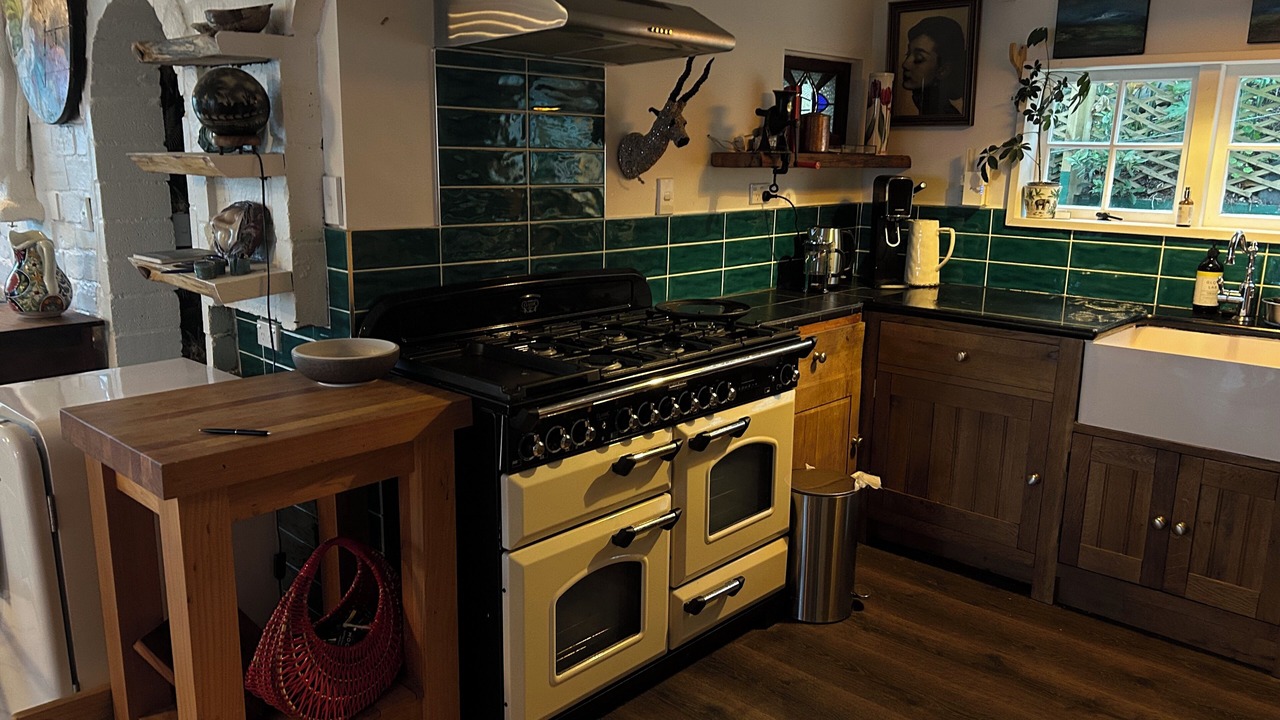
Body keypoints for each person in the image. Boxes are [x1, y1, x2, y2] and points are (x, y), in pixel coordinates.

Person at [900, 15, 966, 116]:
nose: (905, 64)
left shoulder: (946, 116)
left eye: (919, 58)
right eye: (908, 54)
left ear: (943, 70)